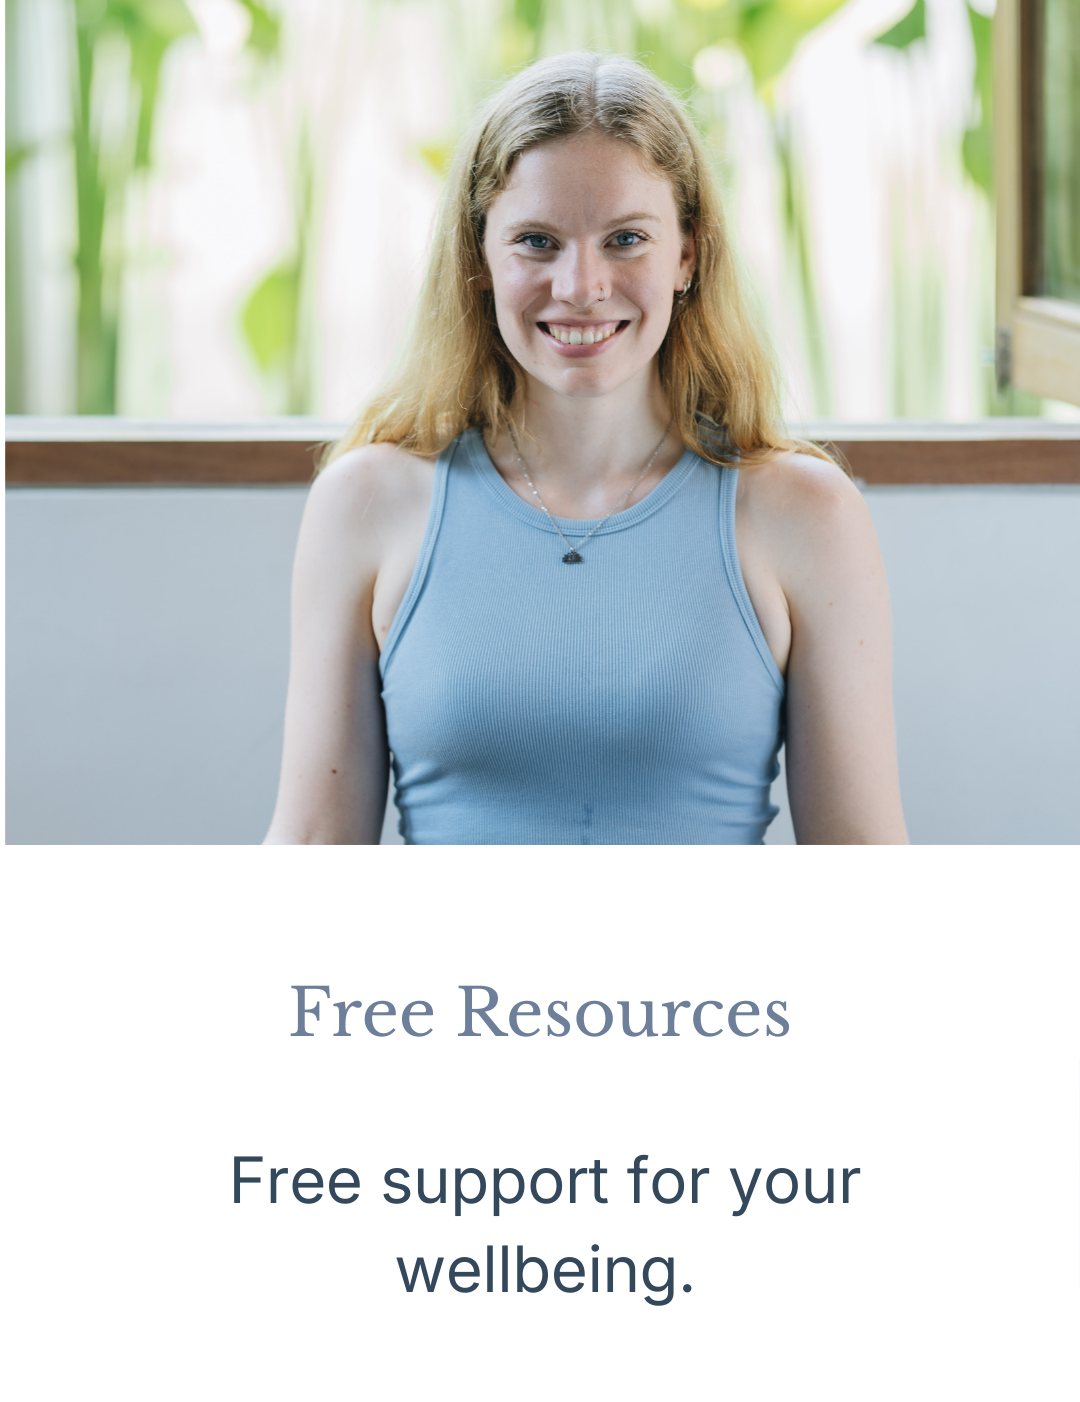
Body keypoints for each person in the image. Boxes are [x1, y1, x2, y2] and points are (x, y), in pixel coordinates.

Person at [265, 52, 907, 845]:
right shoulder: (366, 502)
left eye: (626, 238)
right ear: (479, 261)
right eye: (536, 241)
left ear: (687, 255)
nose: (580, 285)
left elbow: (864, 881)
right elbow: (311, 857)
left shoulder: (805, 513)